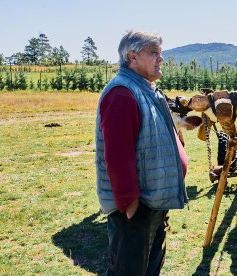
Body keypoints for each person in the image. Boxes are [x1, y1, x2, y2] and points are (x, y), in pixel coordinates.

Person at [95, 30, 188, 275]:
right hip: (137, 209)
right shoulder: (122, 94)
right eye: (154, 53)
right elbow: (117, 156)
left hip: (152, 202)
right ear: (132, 56)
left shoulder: (145, 90)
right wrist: (130, 204)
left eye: (161, 52)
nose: (161, 59)